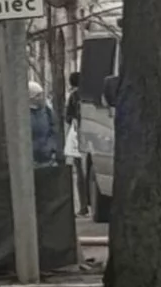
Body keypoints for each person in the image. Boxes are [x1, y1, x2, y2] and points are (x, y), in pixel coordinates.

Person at [65, 72, 90, 215]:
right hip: (92, 136)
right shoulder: (87, 95)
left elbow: (68, 117)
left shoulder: (73, 96)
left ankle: (83, 206)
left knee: (80, 173)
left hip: (78, 137)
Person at [28, 81, 58, 166]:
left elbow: (54, 130)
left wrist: (52, 148)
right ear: (30, 98)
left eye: (41, 94)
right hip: (31, 160)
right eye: (37, 95)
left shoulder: (47, 111)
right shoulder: (23, 115)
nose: (41, 98)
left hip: (48, 158)